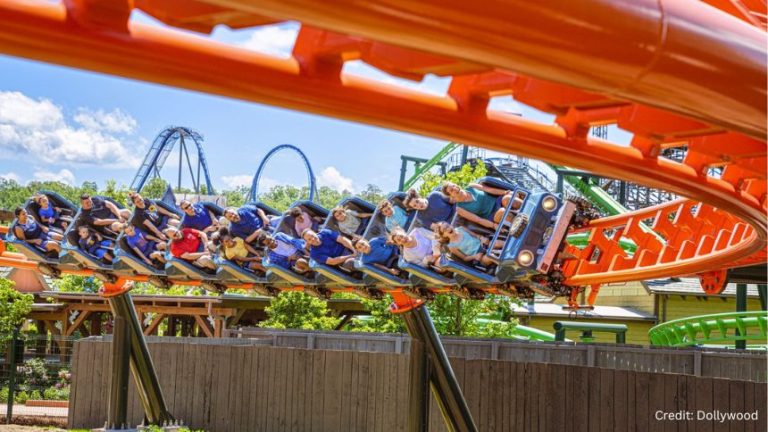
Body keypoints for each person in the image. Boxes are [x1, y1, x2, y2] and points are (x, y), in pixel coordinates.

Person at [442, 181, 517, 229]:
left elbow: (489, 190)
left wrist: (505, 192)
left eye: (454, 185)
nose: (455, 188)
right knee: (502, 212)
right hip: (492, 215)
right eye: (452, 190)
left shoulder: (471, 186)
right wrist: (494, 226)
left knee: (508, 198)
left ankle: (523, 212)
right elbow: (478, 220)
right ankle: (519, 224)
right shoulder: (460, 208)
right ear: (451, 196)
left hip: (497, 202)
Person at [432, 222, 500, 267]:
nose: (448, 228)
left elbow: (476, 236)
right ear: (444, 235)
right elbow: (465, 258)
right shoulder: (451, 246)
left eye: (447, 226)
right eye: (445, 229)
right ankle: (504, 264)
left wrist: (481, 238)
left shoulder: (461, 229)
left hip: (483, 245)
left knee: (496, 243)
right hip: (479, 256)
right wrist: (474, 256)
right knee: (491, 256)